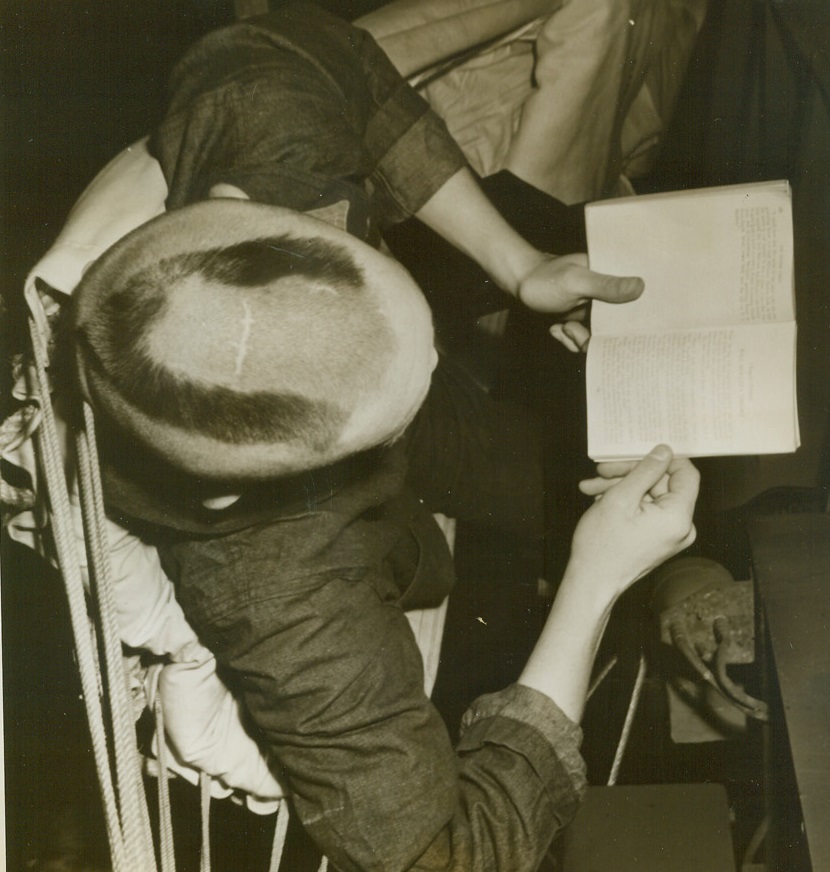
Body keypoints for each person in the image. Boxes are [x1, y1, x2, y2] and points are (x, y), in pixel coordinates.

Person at [67, 4, 700, 870]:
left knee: (557, 478)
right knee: (529, 543)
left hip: (372, 467)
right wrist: (593, 583)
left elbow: (329, 56)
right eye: (387, 411)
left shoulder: (263, 123)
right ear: (241, 490)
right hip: (353, 549)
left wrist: (518, 266)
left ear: (258, 212)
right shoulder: (279, 592)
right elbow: (443, 859)